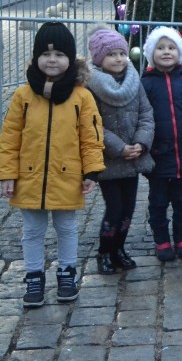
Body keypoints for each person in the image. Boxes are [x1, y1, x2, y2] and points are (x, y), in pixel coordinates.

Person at [0, 23, 105, 308]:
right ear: (36, 58)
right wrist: (7, 174)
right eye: (46, 54)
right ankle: (34, 276)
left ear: (70, 58)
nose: (52, 60)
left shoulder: (81, 96)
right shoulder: (23, 95)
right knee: (32, 230)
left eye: (59, 53)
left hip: (67, 176)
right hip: (29, 177)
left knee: (67, 228)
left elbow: (91, 136)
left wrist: (91, 170)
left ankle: (66, 273)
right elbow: (9, 137)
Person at [86, 28, 154, 275]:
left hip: (133, 156)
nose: (118, 59)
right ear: (98, 58)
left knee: (128, 209)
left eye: (121, 53)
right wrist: (119, 147)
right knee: (114, 209)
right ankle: (104, 251)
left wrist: (140, 143)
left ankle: (119, 249)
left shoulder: (134, 81)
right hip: (109, 160)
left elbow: (146, 114)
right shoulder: (92, 85)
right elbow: (92, 124)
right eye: (111, 54)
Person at [141, 27, 182, 261]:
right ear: (151, 53)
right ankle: (162, 240)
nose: (166, 52)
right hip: (158, 154)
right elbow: (141, 118)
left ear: (180, 53)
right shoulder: (145, 85)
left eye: (171, 48)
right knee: (157, 201)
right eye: (160, 48)